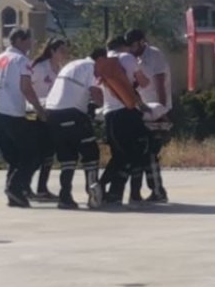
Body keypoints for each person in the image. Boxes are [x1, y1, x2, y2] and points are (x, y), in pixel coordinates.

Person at [0, 27, 46, 208]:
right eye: (29, 40)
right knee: (33, 154)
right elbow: (26, 88)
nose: (31, 44)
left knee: (14, 157)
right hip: (12, 113)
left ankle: (13, 194)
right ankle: (15, 188)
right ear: (19, 40)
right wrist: (40, 110)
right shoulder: (21, 60)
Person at [43, 48, 106, 209]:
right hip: (72, 113)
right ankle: (93, 192)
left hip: (52, 114)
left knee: (68, 158)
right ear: (100, 59)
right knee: (91, 153)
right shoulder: (90, 67)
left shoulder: (71, 65)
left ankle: (65, 197)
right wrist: (101, 102)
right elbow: (97, 96)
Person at [98, 34, 150, 204]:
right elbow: (143, 83)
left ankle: (113, 193)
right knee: (137, 151)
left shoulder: (103, 61)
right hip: (126, 112)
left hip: (109, 113)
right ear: (124, 46)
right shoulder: (127, 57)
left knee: (119, 154)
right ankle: (104, 186)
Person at [126, 29, 172, 203]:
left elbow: (160, 83)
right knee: (145, 153)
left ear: (142, 42)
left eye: (133, 44)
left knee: (150, 153)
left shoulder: (154, 56)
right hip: (144, 110)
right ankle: (156, 190)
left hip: (156, 111)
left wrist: (162, 111)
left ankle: (158, 191)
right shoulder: (134, 58)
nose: (131, 48)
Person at [28, 37, 70, 201]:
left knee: (48, 154)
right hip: (37, 114)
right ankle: (24, 186)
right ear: (52, 51)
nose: (65, 54)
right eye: (61, 50)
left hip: (53, 114)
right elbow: (26, 86)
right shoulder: (39, 67)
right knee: (37, 155)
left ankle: (42, 188)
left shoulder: (59, 69)